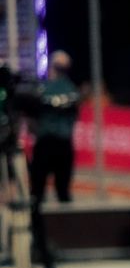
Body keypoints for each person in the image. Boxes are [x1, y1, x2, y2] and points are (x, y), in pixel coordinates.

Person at [29, 52, 79, 205]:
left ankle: (38, 226)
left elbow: (32, 115)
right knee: (63, 192)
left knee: (38, 192)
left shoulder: (42, 89)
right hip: (63, 144)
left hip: (45, 142)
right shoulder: (72, 89)